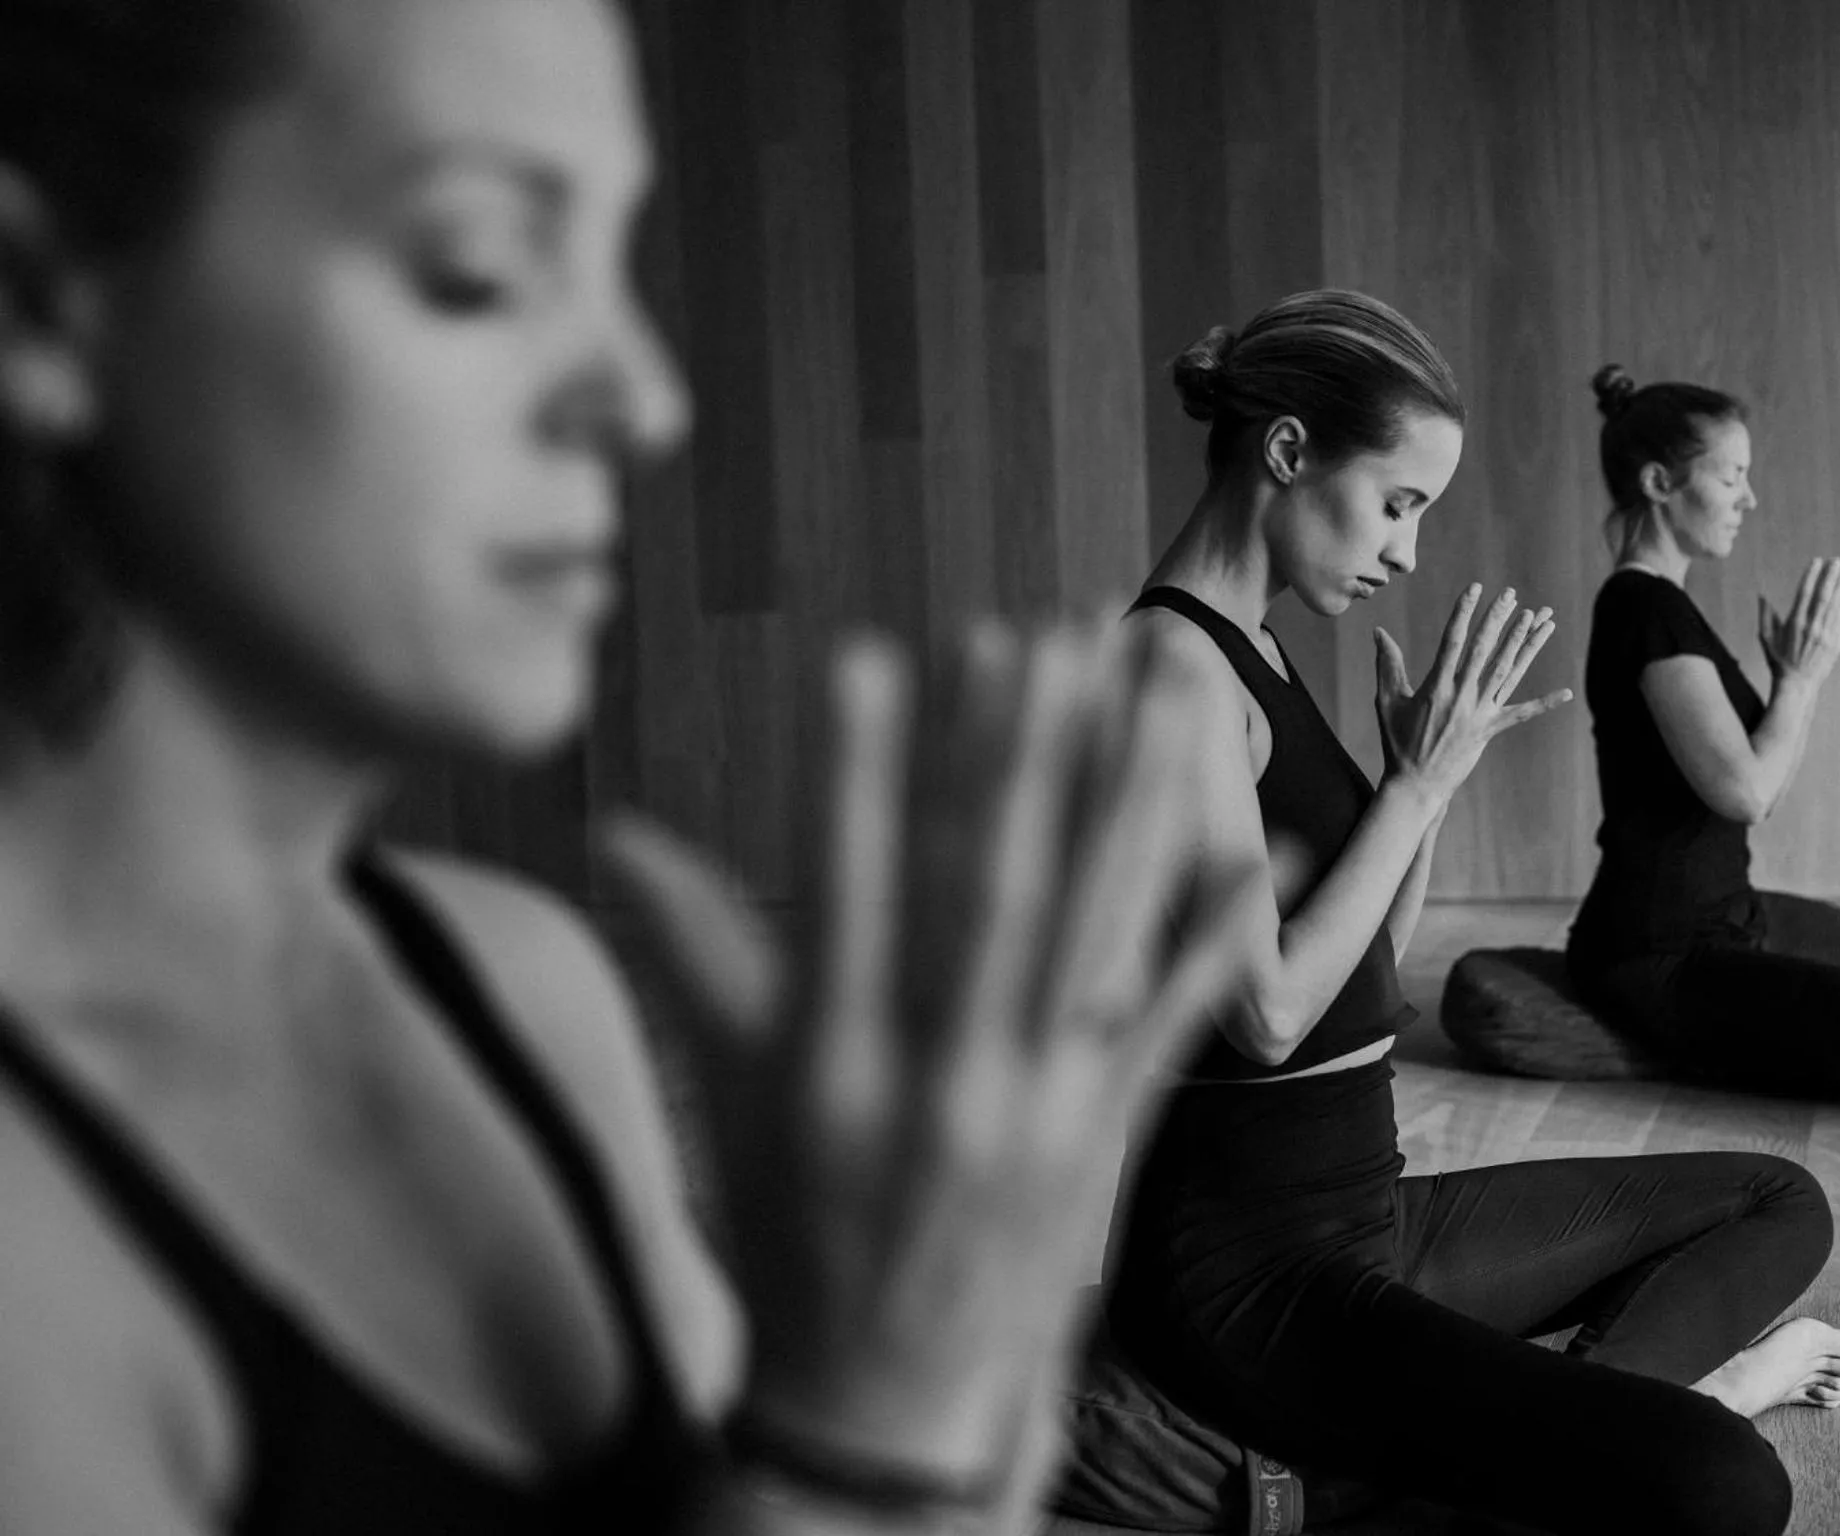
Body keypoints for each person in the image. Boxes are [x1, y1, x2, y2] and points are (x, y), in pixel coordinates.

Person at [0, 2, 1264, 1532]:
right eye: (478, 269)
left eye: (615, 258)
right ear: (40, 307)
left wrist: (943, 1339)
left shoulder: (524, 984)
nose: (645, 396)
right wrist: (877, 1414)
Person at [1097, 292, 1840, 1536]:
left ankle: (1556, 1430)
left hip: (1366, 1211)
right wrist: (1405, 790)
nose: (1407, 552)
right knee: (1719, 1486)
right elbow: (1263, 1014)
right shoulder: (1169, 668)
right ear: (1288, 452)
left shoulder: (1253, 646)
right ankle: (1676, 1407)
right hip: (1253, 1277)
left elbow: (1361, 978)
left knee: (1774, 1199)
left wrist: (1430, 788)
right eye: (1399, 503)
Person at [1563, 365, 1840, 1103]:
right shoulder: (1644, 609)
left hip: (1728, 911)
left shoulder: (1662, 606)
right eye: (1732, 476)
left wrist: (1787, 684)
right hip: (1659, 947)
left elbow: (1758, 792)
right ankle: (1656, 1038)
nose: (1749, 498)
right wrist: (1803, 683)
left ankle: (1717, 1029)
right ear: (1658, 483)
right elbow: (1744, 792)